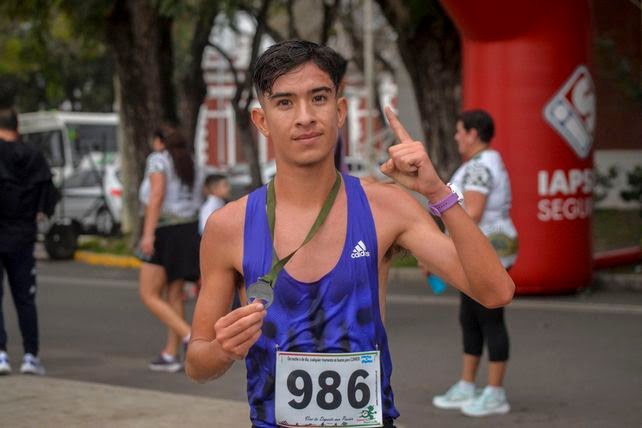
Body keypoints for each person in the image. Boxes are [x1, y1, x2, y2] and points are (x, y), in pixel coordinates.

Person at [186, 40, 514, 428]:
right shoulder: (229, 226)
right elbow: (197, 363)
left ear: (339, 111)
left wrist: (437, 192)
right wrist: (224, 349)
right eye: (285, 102)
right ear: (262, 121)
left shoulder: (387, 208)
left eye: (319, 98)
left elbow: (495, 292)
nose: (305, 117)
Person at [431, 109, 518, 417]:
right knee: (469, 317)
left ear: (472, 133)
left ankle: (495, 393)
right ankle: (468, 385)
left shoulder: (481, 168)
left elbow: (474, 213)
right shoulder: (480, 163)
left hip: (487, 252)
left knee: (489, 319)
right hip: (480, 251)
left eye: (459, 131)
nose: (456, 137)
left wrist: (441, 247)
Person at [138, 125, 202, 372]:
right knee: (174, 295)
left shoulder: (158, 160)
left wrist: (148, 234)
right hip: (188, 229)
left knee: (148, 294)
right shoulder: (191, 161)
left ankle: (188, 336)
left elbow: (156, 196)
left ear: (159, 142)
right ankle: (170, 354)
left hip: (165, 229)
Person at [0, 106, 58, 376]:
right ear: (18, 127)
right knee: (25, 297)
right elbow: (49, 194)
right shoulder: (34, 156)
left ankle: (1, 353)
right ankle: (30, 355)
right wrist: (40, 212)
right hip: (23, 235)